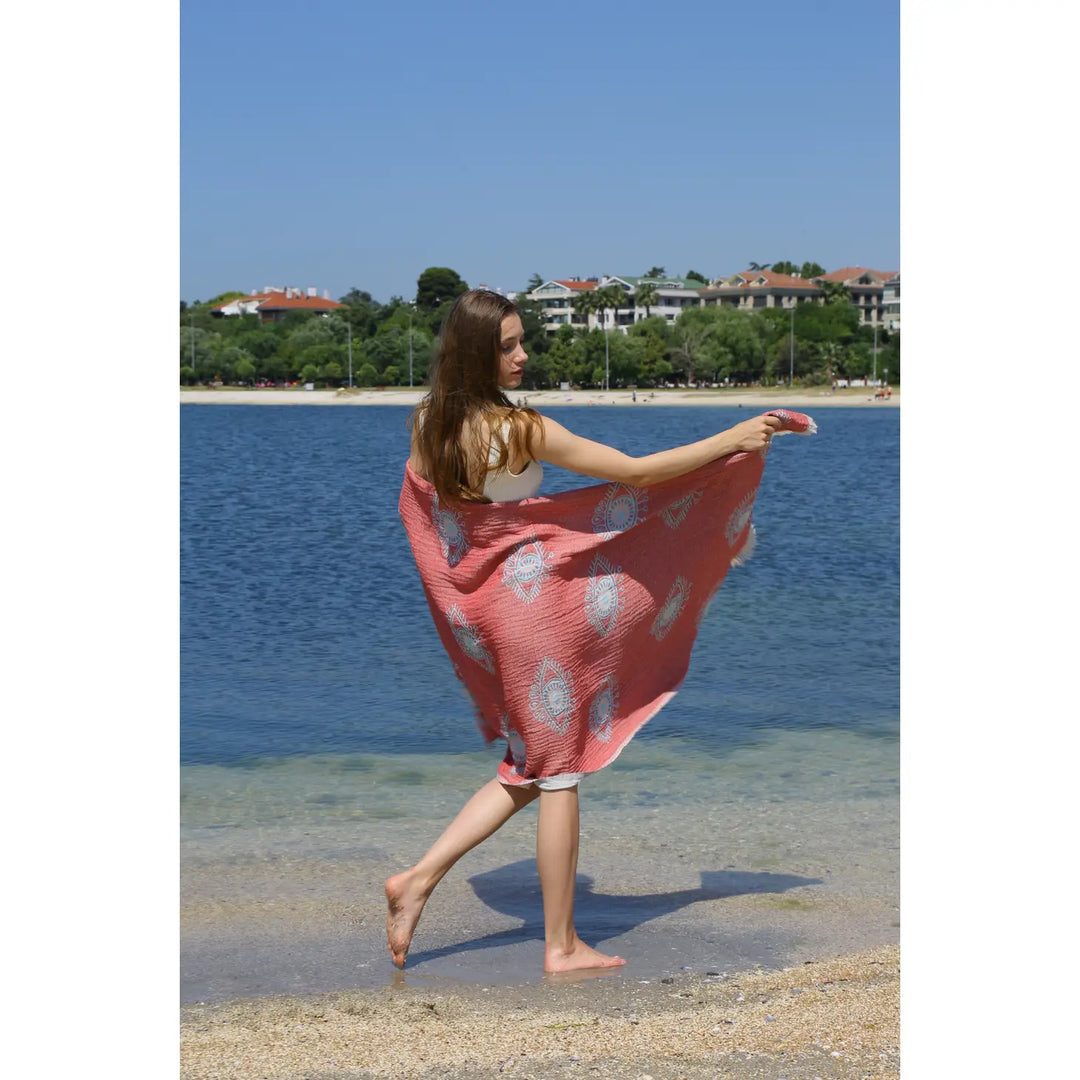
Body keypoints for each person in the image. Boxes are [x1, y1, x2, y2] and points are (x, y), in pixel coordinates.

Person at [386, 289, 782, 974]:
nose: (522, 354)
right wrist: (733, 440)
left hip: (492, 616)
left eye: (520, 341)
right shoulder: (520, 429)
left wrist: (470, 604)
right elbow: (634, 474)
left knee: (529, 767)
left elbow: (430, 523)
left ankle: (416, 880)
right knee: (561, 773)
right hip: (538, 620)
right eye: (507, 345)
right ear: (476, 354)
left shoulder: (428, 423)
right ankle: (561, 945)